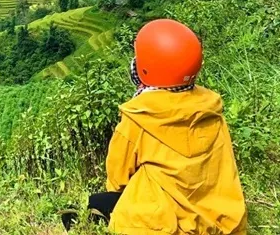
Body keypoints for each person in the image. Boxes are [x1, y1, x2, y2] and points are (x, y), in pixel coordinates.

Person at [64, 19, 247, 234]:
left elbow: (117, 179)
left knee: (98, 202)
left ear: (146, 68)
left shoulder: (139, 117)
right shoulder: (211, 111)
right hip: (220, 221)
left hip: (163, 223)